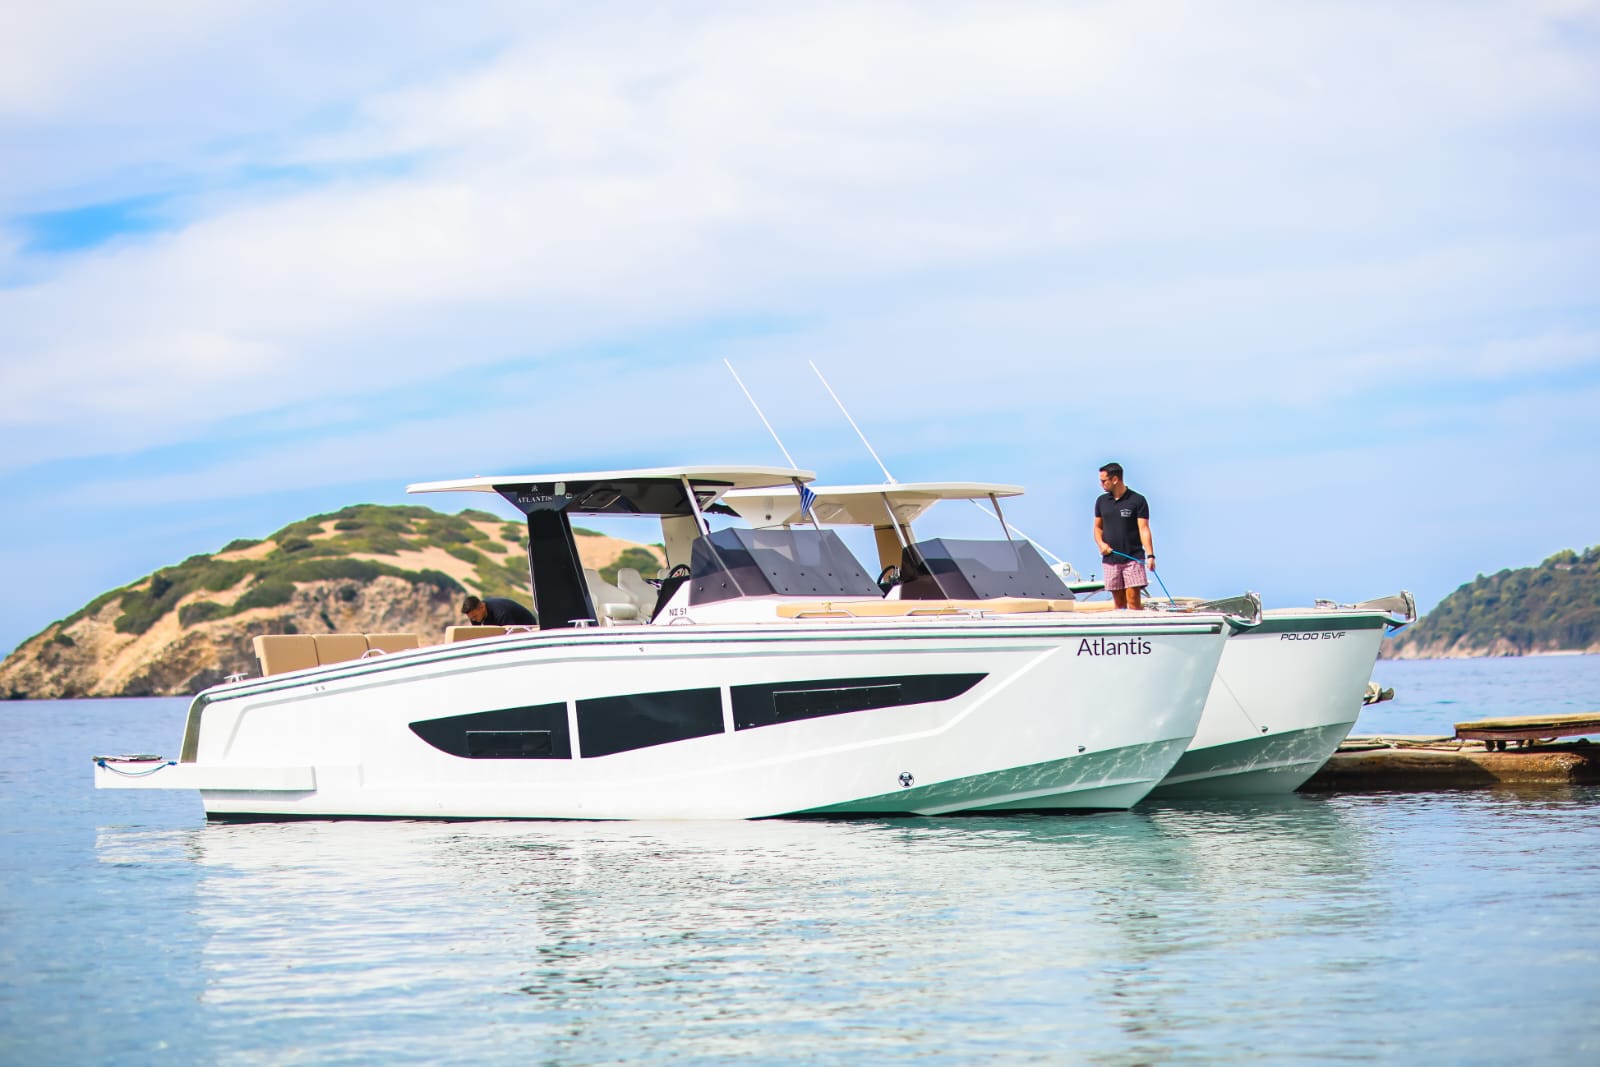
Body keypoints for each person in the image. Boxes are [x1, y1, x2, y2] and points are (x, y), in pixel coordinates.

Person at [1092, 462, 1154, 610]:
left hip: (1133, 557)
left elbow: (1144, 529)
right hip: (1110, 559)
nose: (1101, 484)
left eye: (1103, 481)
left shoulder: (1137, 500)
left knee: (1133, 598)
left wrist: (1151, 555)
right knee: (1119, 603)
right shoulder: (1101, 501)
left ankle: (1138, 628)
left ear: (1115, 479)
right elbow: (1097, 527)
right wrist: (1101, 544)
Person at [461, 595, 537, 627]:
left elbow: (511, 634)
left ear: (482, 607)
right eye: (471, 618)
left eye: (475, 616)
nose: (473, 620)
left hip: (528, 625)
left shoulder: (500, 614)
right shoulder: (475, 615)